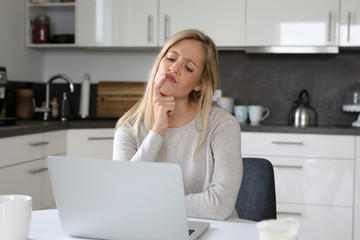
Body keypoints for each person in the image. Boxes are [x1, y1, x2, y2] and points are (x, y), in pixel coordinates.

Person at [113, 29, 242, 221]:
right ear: (159, 63)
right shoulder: (129, 128)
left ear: (199, 83)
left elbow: (219, 207)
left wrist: (148, 202)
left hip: (214, 231)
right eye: (171, 59)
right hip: (150, 228)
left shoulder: (222, 125)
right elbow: (122, 195)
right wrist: (157, 132)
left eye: (189, 68)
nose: (174, 68)